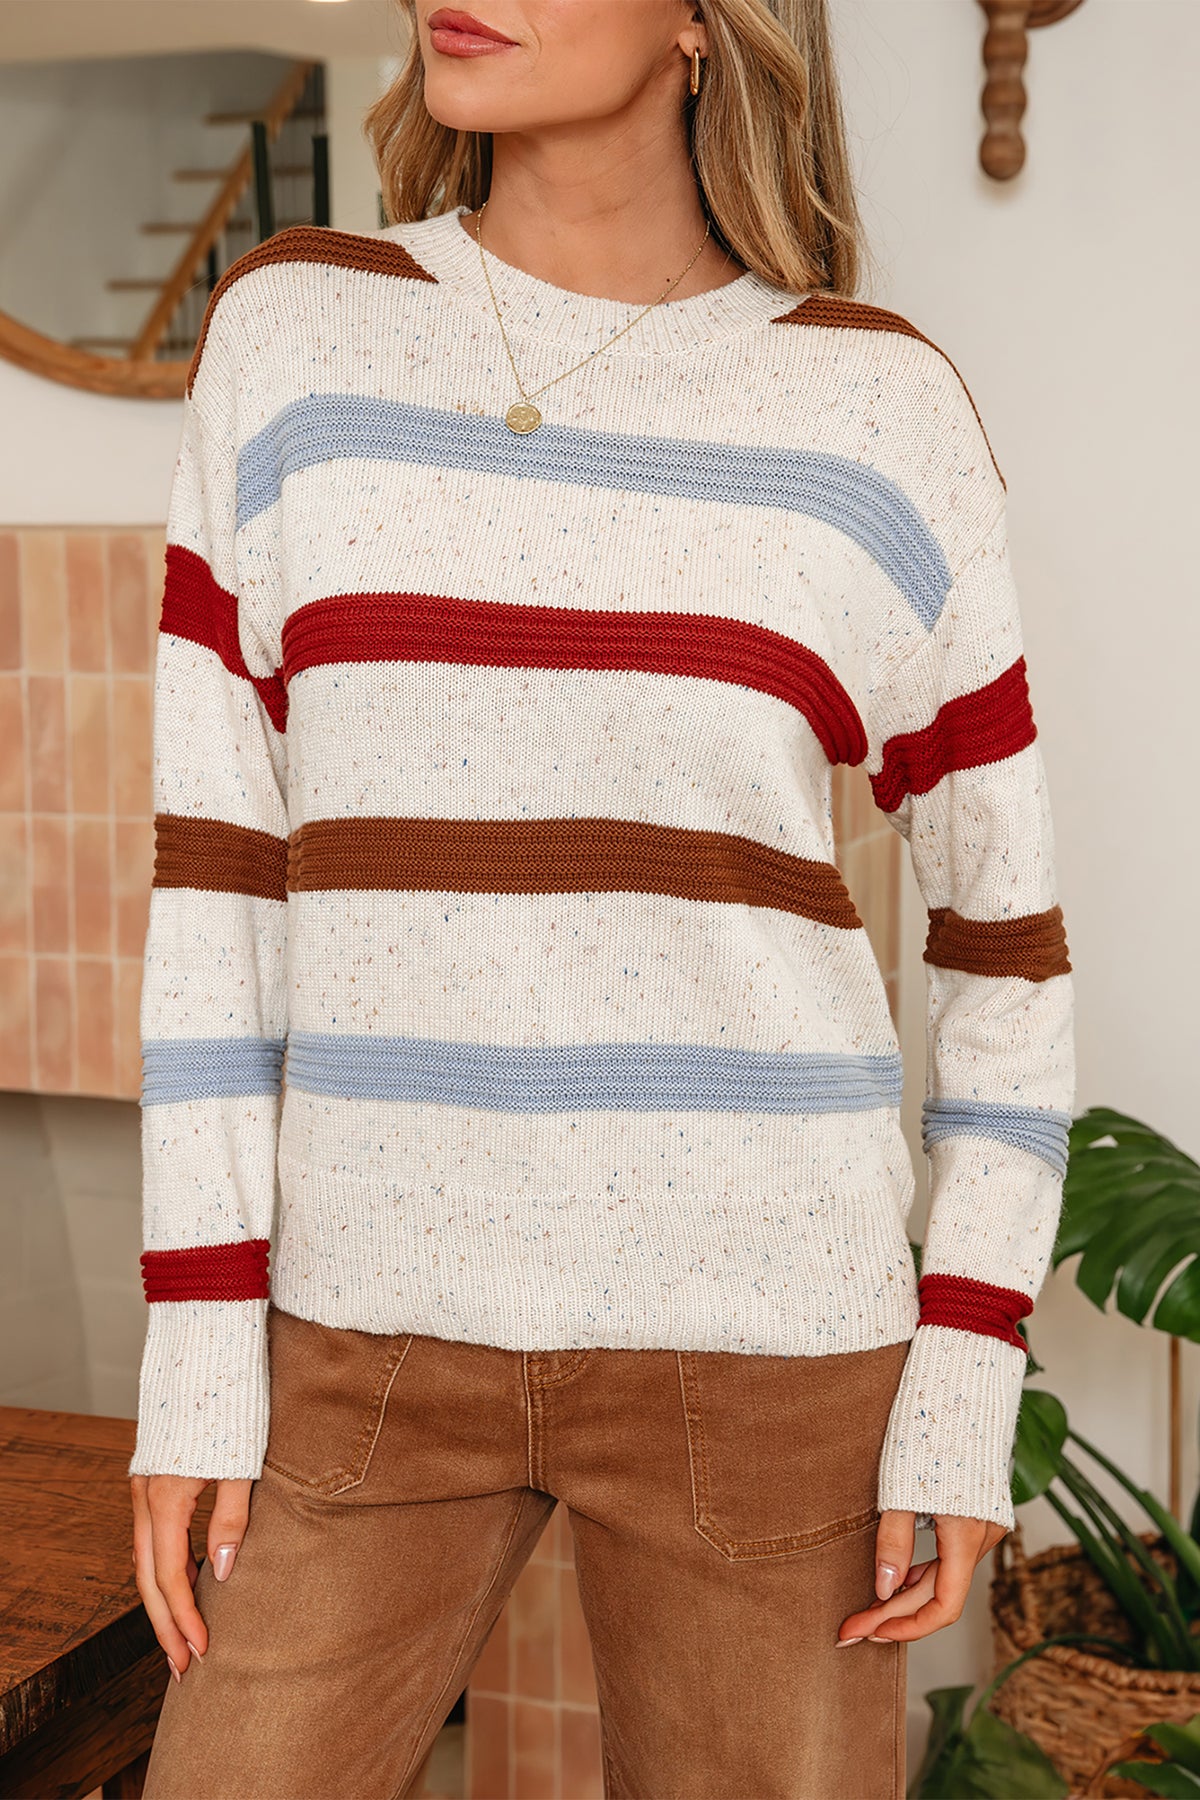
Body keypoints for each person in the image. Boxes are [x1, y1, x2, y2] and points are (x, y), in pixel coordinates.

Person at [127, 2, 1076, 1796]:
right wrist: (197, 1354)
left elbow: (1004, 948)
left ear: (707, 25)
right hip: (367, 1324)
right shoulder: (296, 336)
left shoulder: (874, 408)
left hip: (770, 1339)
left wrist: (962, 1380)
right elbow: (219, 891)